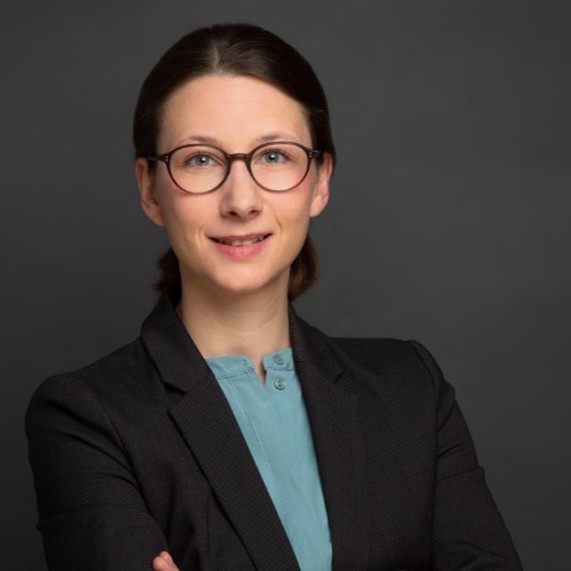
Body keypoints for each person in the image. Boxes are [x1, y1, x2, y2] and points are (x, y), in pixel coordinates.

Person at [26, 22, 523, 571]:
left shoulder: (411, 389)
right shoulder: (87, 416)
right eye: (200, 159)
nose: (241, 201)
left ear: (320, 180)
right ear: (150, 189)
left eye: (274, 156)